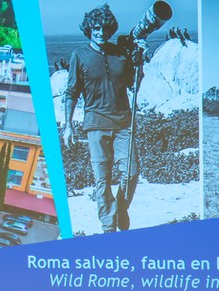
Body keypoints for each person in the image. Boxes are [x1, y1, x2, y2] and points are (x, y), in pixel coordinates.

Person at [63, 4, 146, 232]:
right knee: (102, 181)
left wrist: (139, 62)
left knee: (131, 173)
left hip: (123, 123)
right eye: (96, 28)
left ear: (111, 29)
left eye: (105, 28)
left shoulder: (120, 53)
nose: (101, 32)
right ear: (89, 29)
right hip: (96, 124)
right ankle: (109, 229)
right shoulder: (79, 55)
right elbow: (71, 91)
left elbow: (133, 84)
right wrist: (68, 125)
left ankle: (120, 208)